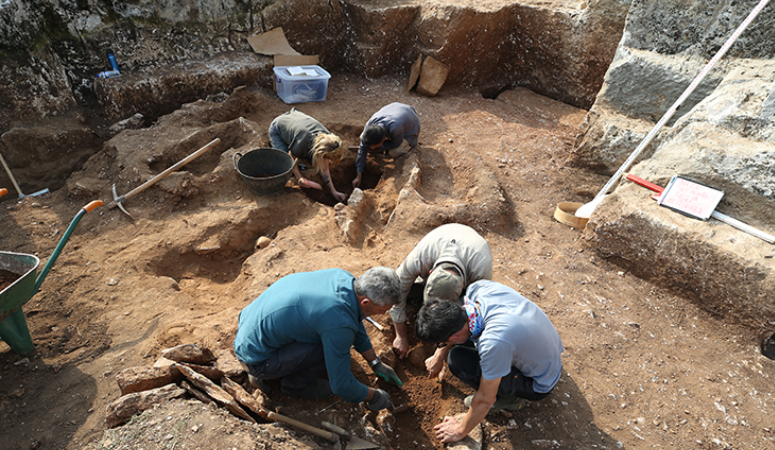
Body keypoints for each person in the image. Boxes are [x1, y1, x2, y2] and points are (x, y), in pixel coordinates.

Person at [234, 267, 403, 411]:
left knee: (333, 334)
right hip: (256, 360)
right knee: (328, 347)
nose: (384, 314)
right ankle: (294, 386)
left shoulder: (343, 278)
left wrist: (375, 362)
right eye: (383, 309)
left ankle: (266, 366)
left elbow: (353, 320)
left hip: (249, 331)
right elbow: (342, 385)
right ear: (366, 302)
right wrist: (373, 396)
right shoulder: (338, 323)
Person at [415, 280, 564, 444]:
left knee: (457, 359)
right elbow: (457, 329)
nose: (442, 346)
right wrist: (439, 354)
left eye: (442, 343)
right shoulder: (478, 290)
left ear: (452, 337)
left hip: (538, 383)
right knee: (462, 347)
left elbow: (486, 399)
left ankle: (510, 400)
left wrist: (459, 430)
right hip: (543, 351)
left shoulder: (493, 343)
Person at [390, 223, 493, 361]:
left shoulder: (480, 271)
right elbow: (396, 292)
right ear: (430, 272)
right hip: (441, 241)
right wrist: (401, 335)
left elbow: (475, 310)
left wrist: (439, 353)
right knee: (400, 291)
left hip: (472, 253)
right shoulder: (420, 258)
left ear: (463, 286)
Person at [269, 108, 347, 202]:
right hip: (278, 127)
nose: (330, 161)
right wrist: (299, 177)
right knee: (285, 164)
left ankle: (293, 143)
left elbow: (324, 169)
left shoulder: (329, 140)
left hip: (295, 121)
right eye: (328, 158)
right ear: (320, 151)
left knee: (311, 158)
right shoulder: (303, 143)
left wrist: (334, 191)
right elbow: (291, 157)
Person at [352, 102, 420, 188]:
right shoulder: (369, 126)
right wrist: (358, 176)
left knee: (394, 152)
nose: (372, 148)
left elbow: (396, 143)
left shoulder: (395, 128)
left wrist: (381, 147)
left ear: (385, 139)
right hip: (395, 109)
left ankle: (410, 144)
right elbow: (362, 150)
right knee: (362, 137)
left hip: (410, 123)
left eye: (374, 145)